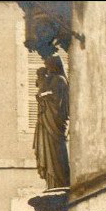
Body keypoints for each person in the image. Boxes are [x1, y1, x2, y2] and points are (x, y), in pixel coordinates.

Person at [33, 57, 70, 190]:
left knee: (56, 150)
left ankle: (58, 182)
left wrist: (44, 96)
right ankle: (52, 182)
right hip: (46, 122)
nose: (47, 69)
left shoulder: (59, 80)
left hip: (54, 123)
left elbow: (58, 101)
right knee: (48, 150)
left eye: (48, 66)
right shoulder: (50, 80)